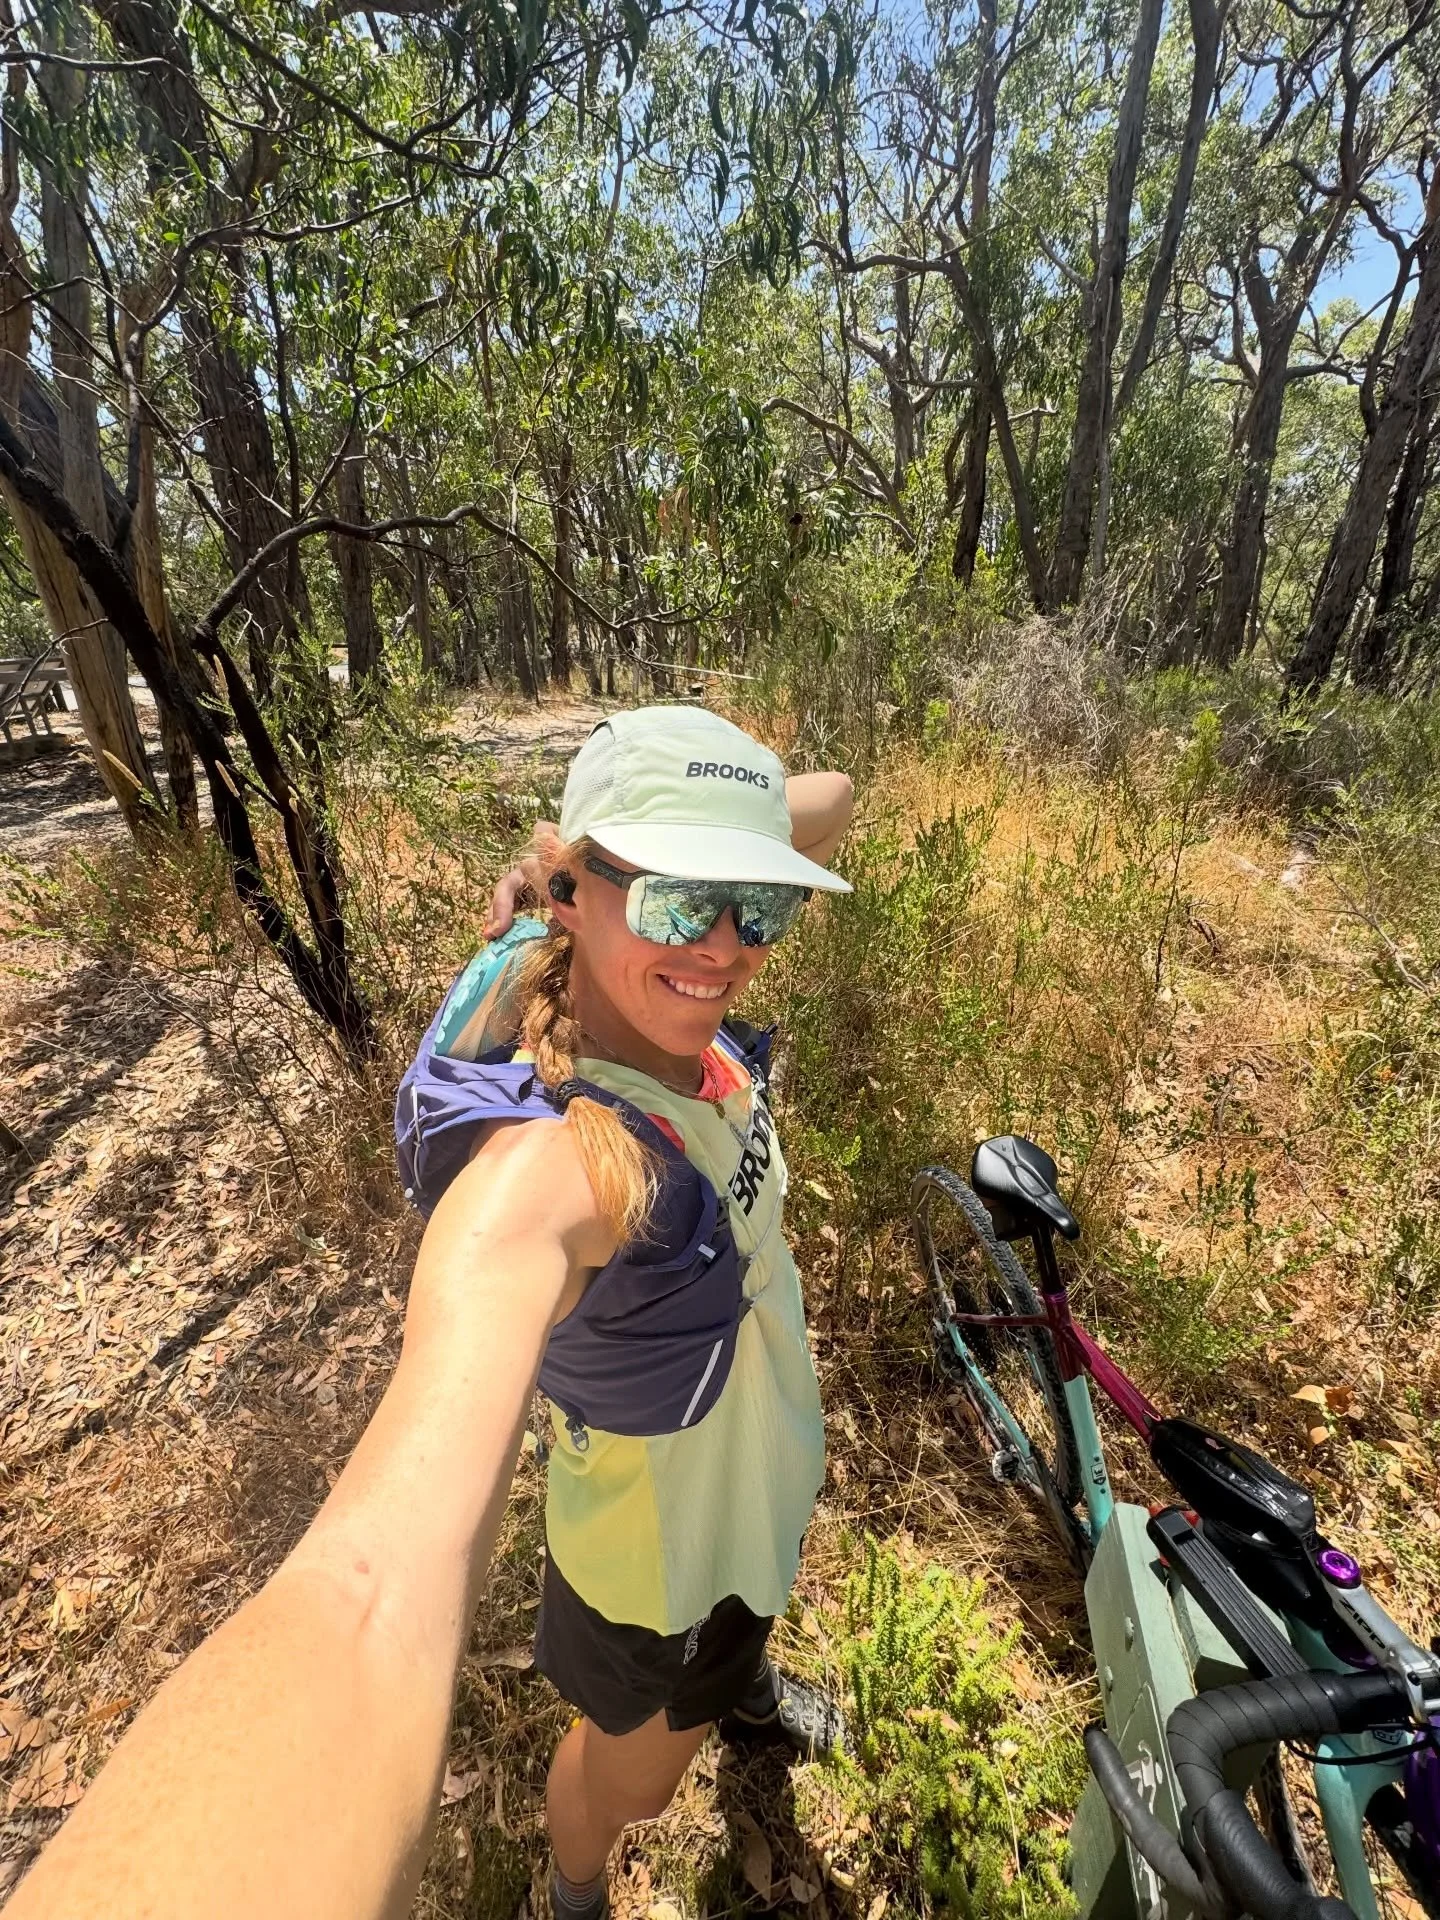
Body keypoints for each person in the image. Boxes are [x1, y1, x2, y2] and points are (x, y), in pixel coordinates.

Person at [7, 706, 852, 1920]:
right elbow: (367, 1590)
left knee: (740, 1635)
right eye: (679, 903)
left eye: (761, 905)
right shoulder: (558, 1175)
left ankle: (749, 1685)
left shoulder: (663, 1005)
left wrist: (742, 820)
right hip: (663, 1573)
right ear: (573, 890)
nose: (725, 948)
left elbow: (834, 792)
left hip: (759, 1486)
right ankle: (571, 1889)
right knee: (633, 1791)